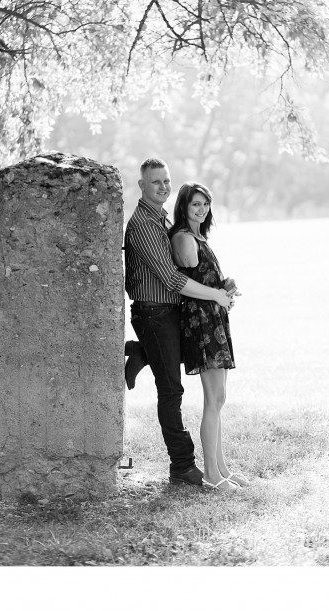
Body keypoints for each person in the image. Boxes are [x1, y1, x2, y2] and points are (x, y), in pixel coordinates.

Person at [123, 159, 236, 487]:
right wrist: (215, 296)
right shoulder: (144, 224)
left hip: (171, 313)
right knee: (171, 389)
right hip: (154, 312)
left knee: (184, 370)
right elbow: (173, 278)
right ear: (142, 185)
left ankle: (139, 353)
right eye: (154, 182)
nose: (161, 186)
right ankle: (183, 465)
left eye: (166, 181)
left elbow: (192, 272)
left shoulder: (162, 219)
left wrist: (220, 288)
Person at [169, 182, 247, 491]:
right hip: (201, 323)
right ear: (184, 208)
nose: (201, 209)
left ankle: (222, 468)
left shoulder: (200, 237)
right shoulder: (185, 238)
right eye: (195, 205)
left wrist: (224, 289)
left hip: (213, 319)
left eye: (205, 204)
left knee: (219, 399)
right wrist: (216, 294)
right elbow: (185, 284)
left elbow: (204, 279)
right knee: (212, 400)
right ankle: (213, 475)